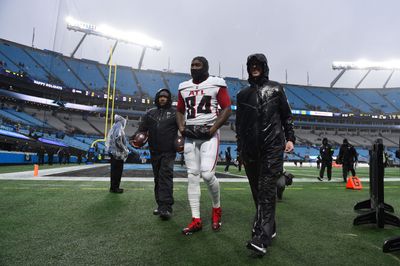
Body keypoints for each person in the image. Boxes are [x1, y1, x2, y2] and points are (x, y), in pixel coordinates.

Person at [236, 53, 295, 256]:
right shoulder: (242, 95)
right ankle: (270, 226)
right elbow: (239, 125)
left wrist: (290, 138)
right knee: (257, 192)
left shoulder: (276, 88)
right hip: (250, 150)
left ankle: (261, 237)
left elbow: (287, 116)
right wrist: (240, 150)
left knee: (266, 190)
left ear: (264, 66)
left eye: (257, 64)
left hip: (272, 148)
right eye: (251, 65)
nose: (254, 67)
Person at [176, 56, 231, 235]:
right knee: (192, 176)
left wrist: (213, 128)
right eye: (192, 65)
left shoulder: (216, 83)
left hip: (209, 135)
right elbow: (179, 110)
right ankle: (196, 219)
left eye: (197, 65)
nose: (194, 67)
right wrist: (181, 128)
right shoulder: (183, 87)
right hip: (190, 136)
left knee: (207, 175)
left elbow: (227, 109)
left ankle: (216, 209)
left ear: (206, 67)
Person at [132, 88, 178, 220]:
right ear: (157, 98)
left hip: (169, 151)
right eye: (160, 96)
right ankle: (160, 205)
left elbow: (181, 128)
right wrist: (134, 138)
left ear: (169, 99)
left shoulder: (175, 113)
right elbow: (141, 129)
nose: (162, 98)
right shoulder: (150, 113)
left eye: (165, 97)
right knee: (157, 178)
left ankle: (166, 207)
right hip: (154, 151)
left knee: (165, 176)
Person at [105, 114, 129, 193]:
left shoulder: (115, 126)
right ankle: (115, 188)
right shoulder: (119, 126)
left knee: (114, 170)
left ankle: (113, 187)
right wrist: (124, 149)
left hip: (114, 152)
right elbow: (118, 139)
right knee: (117, 171)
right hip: (117, 154)